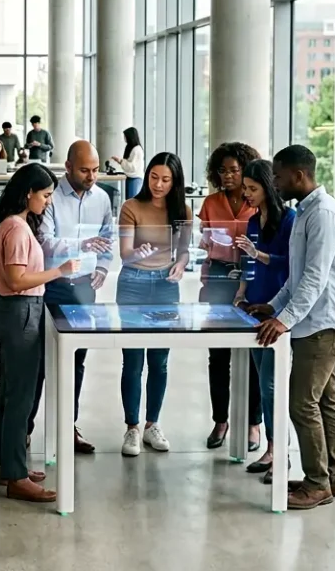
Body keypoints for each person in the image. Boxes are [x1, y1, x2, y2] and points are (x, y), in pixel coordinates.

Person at [251, 144, 335, 510]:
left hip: (325, 324)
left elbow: (315, 278)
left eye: (278, 177)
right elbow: (296, 278)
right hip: (313, 321)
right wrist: (273, 306)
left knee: (301, 402)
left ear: (298, 175)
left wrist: (282, 320)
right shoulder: (305, 212)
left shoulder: (323, 215)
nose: (275, 183)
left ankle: (317, 483)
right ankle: (331, 478)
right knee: (325, 401)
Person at [0, 163, 82, 503]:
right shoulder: (16, 228)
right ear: (28, 192)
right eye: (45, 195)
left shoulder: (14, 224)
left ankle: (9, 465)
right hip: (20, 311)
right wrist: (58, 271)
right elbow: (15, 280)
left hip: (17, 311)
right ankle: (16, 476)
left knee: (11, 390)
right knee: (20, 396)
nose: (48, 201)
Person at [32, 140, 114, 455]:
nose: (91, 175)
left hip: (85, 287)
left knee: (77, 359)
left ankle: (69, 427)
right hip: (54, 283)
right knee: (40, 360)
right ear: (67, 167)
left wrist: (104, 269)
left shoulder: (103, 198)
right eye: (84, 170)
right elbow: (45, 242)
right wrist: (83, 244)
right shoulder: (51, 197)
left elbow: (108, 238)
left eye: (95, 169)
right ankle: (26, 429)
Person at [116, 152, 191, 457]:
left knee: (159, 361)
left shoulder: (182, 210)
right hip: (133, 283)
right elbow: (124, 253)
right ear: (146, 176)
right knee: (133, 360)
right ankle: (132, 427)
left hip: (166, 286)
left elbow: (185, 251)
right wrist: (138, 253)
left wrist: (180, 265)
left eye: (166, 179)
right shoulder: (131, 206)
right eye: (154, 177)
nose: (158, 184)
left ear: (175, 182)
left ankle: (152, 425)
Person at [232, 159, 296, 483]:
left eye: (252, 188)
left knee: (272, 384)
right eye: (246, 189)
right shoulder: (253, 221)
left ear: (268, 187)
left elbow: (291, 263)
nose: (247, 194)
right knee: (262, 382)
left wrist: (259, 254)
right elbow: (248, 261)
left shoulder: (290, 220)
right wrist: (241, 292)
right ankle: (272, 449)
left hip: (276, 311)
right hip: (254, 307)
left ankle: (280, 453)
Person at [199, 142, 263, 452]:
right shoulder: (211, 203)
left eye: (234, 170)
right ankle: (221, 420)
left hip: (252, 279)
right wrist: (208, 243)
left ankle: (253, 423)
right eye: (222, 170)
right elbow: (205, 239)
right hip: (220, 276)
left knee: (253, 354)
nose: (227, 176)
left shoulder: (259, 202)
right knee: (218, 354)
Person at [109, 126, 146, 199]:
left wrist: (120, 161)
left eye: (125, 137)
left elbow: (133, 167)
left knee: (132, 201)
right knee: (129, 201)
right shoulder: (130, 147)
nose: (124, 139)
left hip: (135, 178)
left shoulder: (137, 150)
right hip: (130, 177)